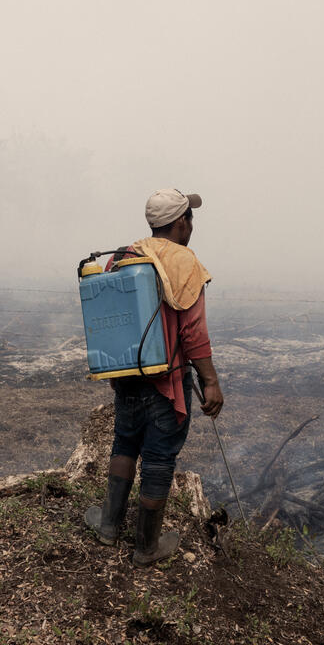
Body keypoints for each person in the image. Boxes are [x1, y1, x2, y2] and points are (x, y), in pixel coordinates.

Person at [84, 188, 224, 566]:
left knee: (125, 443)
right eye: (190, 218)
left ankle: (109, 526)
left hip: (127, 377)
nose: (191, 225)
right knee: (159, 458)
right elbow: (193, 332)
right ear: (180, 223)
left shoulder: (122, 257)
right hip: (166, 381)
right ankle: (146, 547)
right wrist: (210, 381)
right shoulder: (185, 262)